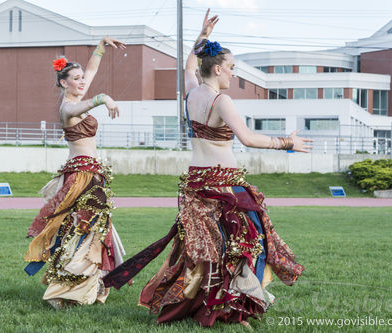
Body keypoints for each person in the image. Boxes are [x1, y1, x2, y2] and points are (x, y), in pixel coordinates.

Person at [103, 10, 312, 328]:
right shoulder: (221, 100)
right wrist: (286, 143)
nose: (232, 72)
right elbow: (247, 138)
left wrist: (201, 36)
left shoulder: (191, 93)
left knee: (205, 249)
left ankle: (219, 305)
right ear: (217, 69)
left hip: (196, 182)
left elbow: (189, 66)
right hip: (224, 185)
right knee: (244, 243)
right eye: (230, 67)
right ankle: (230, 307)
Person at [24, 36, 127, 309]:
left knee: (90, 227)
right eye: (76, 78)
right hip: (82, 175)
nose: (82, 81)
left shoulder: (78, 95)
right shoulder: (68, 108)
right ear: (63, 82)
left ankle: (83, 283)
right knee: (87, 226)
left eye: (82, 78)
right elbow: (88, 104)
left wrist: (102, 45)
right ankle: (68, 287)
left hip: (91, 173)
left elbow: (91, 70)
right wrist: (104, 98)